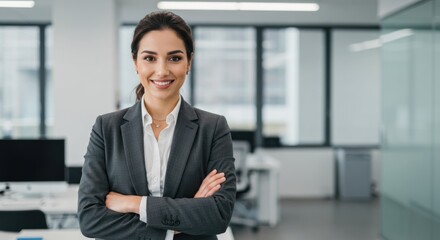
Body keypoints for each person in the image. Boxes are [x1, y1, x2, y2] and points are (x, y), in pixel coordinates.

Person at [78, 11, 236, 240]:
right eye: (150, 58)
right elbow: (90, 219)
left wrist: (134, 203)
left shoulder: (213, 128)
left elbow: (219, 215)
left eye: (174, 58)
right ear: (135, 63)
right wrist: (183, 219)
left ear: (189, 62)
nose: (162, 71)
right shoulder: (106, 128)